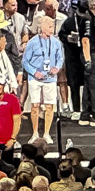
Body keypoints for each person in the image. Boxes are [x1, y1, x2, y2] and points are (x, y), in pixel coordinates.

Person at [21, 14, 64, 145]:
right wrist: (35, 72)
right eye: (50, 26)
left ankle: (46, 133)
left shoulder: (56, 42)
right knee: (35, 105)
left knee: (50, 106)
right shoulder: (33, 42)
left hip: (50, 79)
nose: (52, 28)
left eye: (53, 26)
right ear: (42, 27)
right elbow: (25, 61)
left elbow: (60, 58)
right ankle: (35, 133)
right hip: (35, 78)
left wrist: (57, 68)